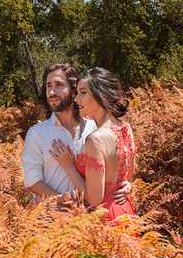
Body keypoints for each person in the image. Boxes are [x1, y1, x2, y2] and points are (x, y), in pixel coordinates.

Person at [21, 63, 130, 203]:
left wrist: (126, 184)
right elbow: (32, 181)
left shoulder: (94, 129)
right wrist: (61, 201)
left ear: (74, 91)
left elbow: (113, 168)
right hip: (52, 218)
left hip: (91, 217)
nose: (52, 92)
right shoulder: (37, 133)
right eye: (48, 86)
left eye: (58, 85)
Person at [50, 67, 136, 223]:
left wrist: (68, 166)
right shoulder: (126, 128)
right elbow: (127, 177)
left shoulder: (95, 140)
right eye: (77, 93)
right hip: (126, 212)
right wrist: (128, 186)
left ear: (100, 95)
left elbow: (94, 200)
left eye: (83, 93)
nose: (76, 99)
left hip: (105, 220)